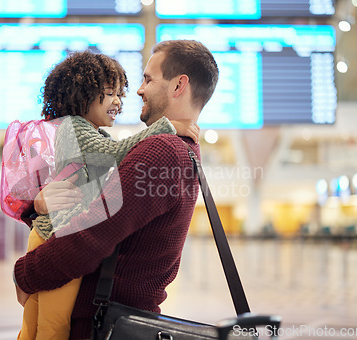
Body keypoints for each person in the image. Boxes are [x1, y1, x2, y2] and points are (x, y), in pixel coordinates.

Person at [14, 40, 219, 340]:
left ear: (179, 86)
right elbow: (95, 204)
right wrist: (41, 204)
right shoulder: (183, 150)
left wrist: (24, 274)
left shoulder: (162, 150)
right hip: (116, 319)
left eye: (148, 79)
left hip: (102, 326)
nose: (138, 90)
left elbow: (89, 236)